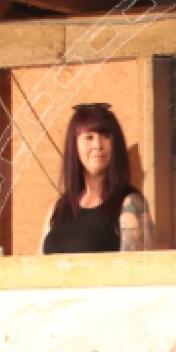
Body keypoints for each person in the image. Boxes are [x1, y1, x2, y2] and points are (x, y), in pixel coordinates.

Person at [41, 102, 152, 253]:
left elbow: (136, 266)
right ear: (74, 146)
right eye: (89, 137)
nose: (97, 145)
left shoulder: (131, 204)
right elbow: (37, 263)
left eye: (106, 136)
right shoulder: (57, 207)